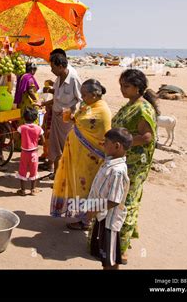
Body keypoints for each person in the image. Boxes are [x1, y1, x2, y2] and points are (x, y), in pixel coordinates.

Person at [110, 69, 158, 264]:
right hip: (122, 162)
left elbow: (147, 137)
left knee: (126, 203)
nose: (122, 89)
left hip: (134, 165)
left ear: (137, 88)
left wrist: (122, 144)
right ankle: (122, 239)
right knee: (120, 200)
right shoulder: (130, 104)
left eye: (126, 86)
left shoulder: (142, 109)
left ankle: (121, 249)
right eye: (121, 85)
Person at [50, 79, 111, 230]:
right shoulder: (88, 105)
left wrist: (75, 119)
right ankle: (82, 216)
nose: (82, 97)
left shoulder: (101, 110)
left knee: (87, 188)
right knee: (80, 186)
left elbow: (86, 124)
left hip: (91, 158)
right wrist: (71, 117)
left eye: (85, 94)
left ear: (95, 94)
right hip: (81, 157)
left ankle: (86, 221)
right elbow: (78, 119)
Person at [86, 128, 132, 270]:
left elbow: (114, 200)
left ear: (117, 146)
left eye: (106, 142)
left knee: (109, 259)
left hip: (109, 221)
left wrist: (93, 210)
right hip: (103, 217)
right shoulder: (111, 161)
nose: (103, 144)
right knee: (107, 255)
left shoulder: (117, 171)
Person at [41, 49, 82, 176]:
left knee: (66, 149)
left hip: (67, 120)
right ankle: (57, 176)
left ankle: (66, 177)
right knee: (55, 149)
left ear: (60, 66)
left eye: (53, 67)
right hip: (56, 118)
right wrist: (44, 104)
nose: (51, 70)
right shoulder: (58, 78)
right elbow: (57, 98)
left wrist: (71, 113)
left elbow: (81, 100)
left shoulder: (74, 79)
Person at [16, 107, 44, 196]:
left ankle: (23, 190)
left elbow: (18, 137)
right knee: (34, 170)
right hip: (34, 153)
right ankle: (33, 189)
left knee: (22, 170)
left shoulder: (22, 128)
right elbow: (43, 141)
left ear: (24, 117)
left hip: (24, 152)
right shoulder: (38, 128)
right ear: (36, 118)